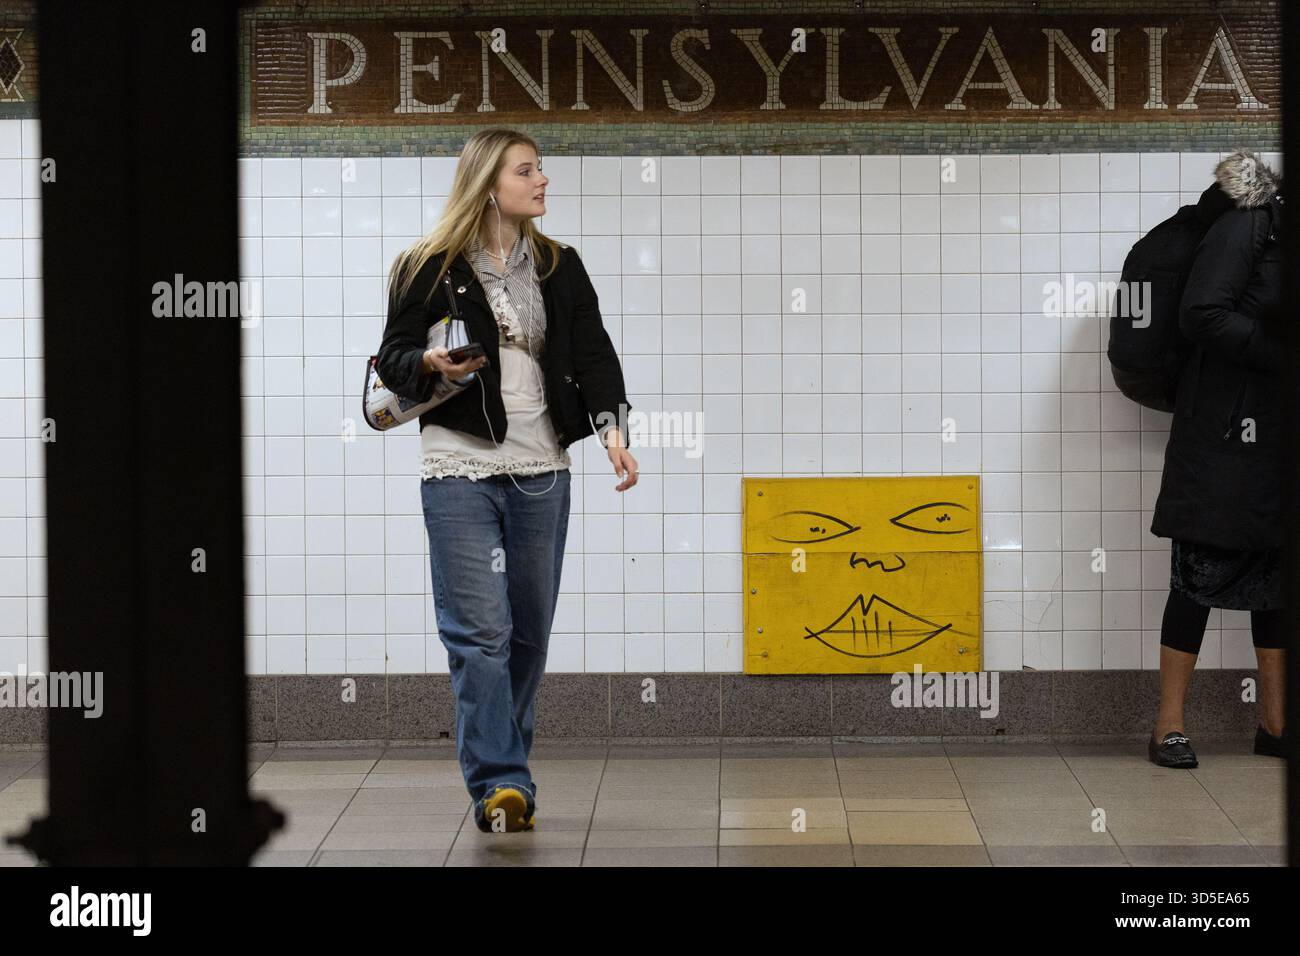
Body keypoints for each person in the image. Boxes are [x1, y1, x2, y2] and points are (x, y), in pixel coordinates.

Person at [376, 128, 639, 829]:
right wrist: (432, 366)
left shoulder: (561, 266)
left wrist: (613, 430)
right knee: (478, 632)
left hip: (543, 466)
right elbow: (391, 356)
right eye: (529, 170)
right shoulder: (426, 266)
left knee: (527, 634)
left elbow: (596, 355)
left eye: (542, 169)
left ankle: (505, 770)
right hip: (459, 465)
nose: (543, 180)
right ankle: (500, 780)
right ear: (491, 184)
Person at [1149, 149, 1287, 768]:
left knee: (1277, 580)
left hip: (1276, 436)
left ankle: (1275, 725)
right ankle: (1167, 726)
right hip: (1223, 435)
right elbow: (1200, 311)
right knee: (1198, 573)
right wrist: (1276, 353)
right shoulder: (1250, 222)